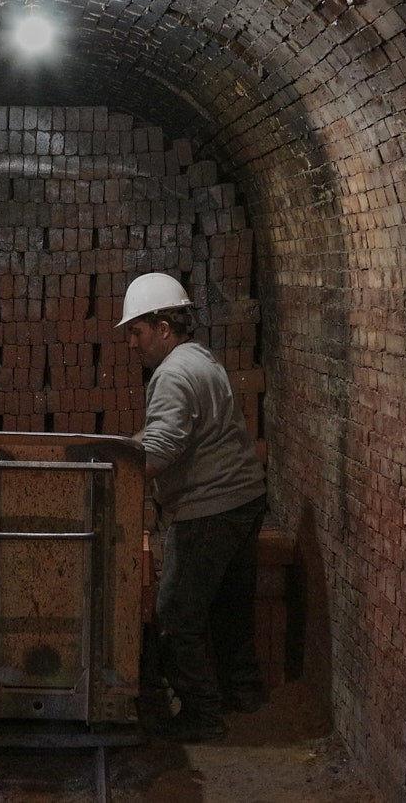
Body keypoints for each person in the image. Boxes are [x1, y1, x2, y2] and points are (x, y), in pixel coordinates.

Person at [118, 272, 269, 743]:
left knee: (177, 616)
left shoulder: (172, 374)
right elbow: (180, 432)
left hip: (209, 509)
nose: (131, 344)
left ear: (164, 327)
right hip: (245, 499)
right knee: (228, 607)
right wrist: (126, 447)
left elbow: (163, 449)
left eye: (137, 332)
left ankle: (201, 716)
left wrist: (114, 477)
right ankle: (242, 692)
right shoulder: (199, 359)